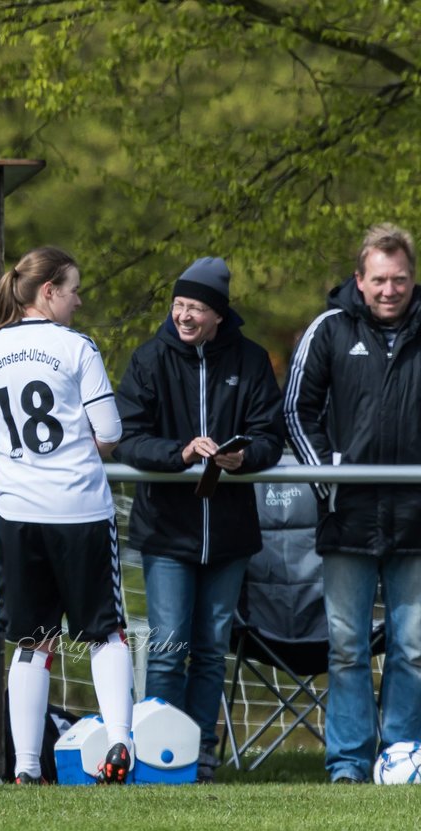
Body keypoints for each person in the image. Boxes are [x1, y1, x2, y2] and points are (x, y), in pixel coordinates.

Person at [0, 246, 133, 785]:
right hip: (80, 508)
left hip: (18, 512)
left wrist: (19, 450)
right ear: (49, 291)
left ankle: (28, 768)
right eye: (75, 289)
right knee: (106, 634)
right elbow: (110, 434)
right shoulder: (76, 348)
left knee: (32, 640)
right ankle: (120, 745)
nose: (80, 301)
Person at [112, 257, 285, 783]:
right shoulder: (148, 360)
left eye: (197, 308)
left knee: (211, 652)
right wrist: (180, 454)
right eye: (179, 305)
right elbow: (128, 437)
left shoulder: (251, 361)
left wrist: (243, 457)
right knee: (167, 651)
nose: (185, 316)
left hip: (230, 536)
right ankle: (162, 755)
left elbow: (270, 437)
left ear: (218, 315)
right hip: (167, 532)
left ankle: (200, 754)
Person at [285, 223, 421, 784]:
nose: (390, 290)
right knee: (346, 648)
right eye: (379, 280)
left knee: (413, 649)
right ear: (360, 281)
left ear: (412, 279)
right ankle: (346, 763)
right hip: (348, 520)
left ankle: (403, 760)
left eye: (400, 280)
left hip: (416, 523)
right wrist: (330, 483)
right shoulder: (329, 330)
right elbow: (296, 411)